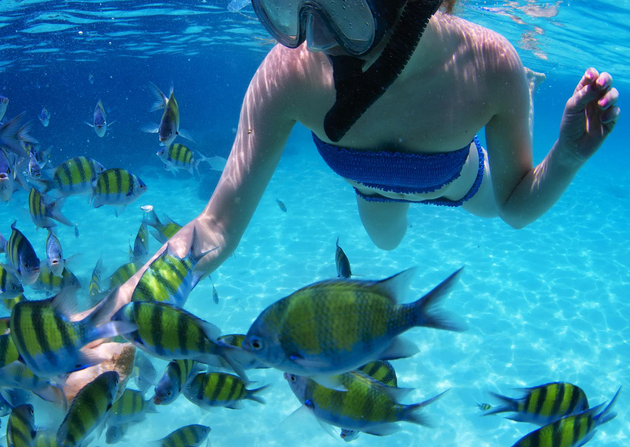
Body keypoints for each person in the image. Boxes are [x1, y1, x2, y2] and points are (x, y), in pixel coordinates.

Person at [108, 0, 619, 311]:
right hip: (372, 191)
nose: (316, 39)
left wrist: (567, 157)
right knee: (389, 244)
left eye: (344, 7)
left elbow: (515, 206)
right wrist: (113, 313)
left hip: (457, 179)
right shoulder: (287, 74)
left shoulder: (488, 64)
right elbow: (215, 227)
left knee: (479, 202)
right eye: (291, 8)